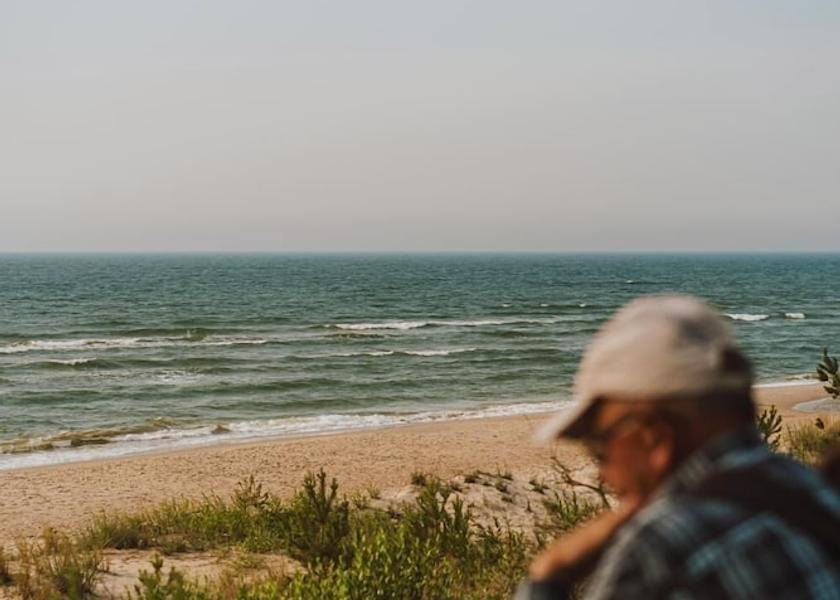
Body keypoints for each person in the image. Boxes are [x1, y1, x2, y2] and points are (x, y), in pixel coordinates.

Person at [517, 295, 840, 599]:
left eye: (599, 446)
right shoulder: (808, 487)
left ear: (655, 437)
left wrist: (549, 576)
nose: (602, 473)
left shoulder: (663, 545)